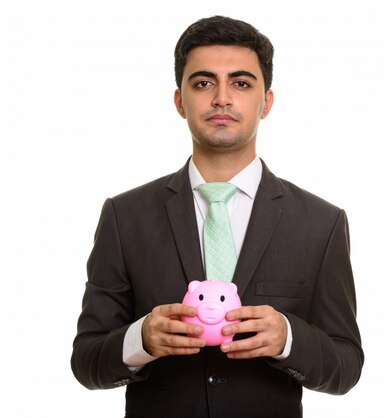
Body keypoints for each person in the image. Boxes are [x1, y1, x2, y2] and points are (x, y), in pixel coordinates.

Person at [71, 15, 364, 418]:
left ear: (267, 102)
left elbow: (346, 367)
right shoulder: (125, 216)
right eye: (203, 83)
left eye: (241, 83)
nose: (222, 98)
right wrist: (141, 339)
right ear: (179, 101)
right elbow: (86, 362)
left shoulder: (320, 223)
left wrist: (288, 338)